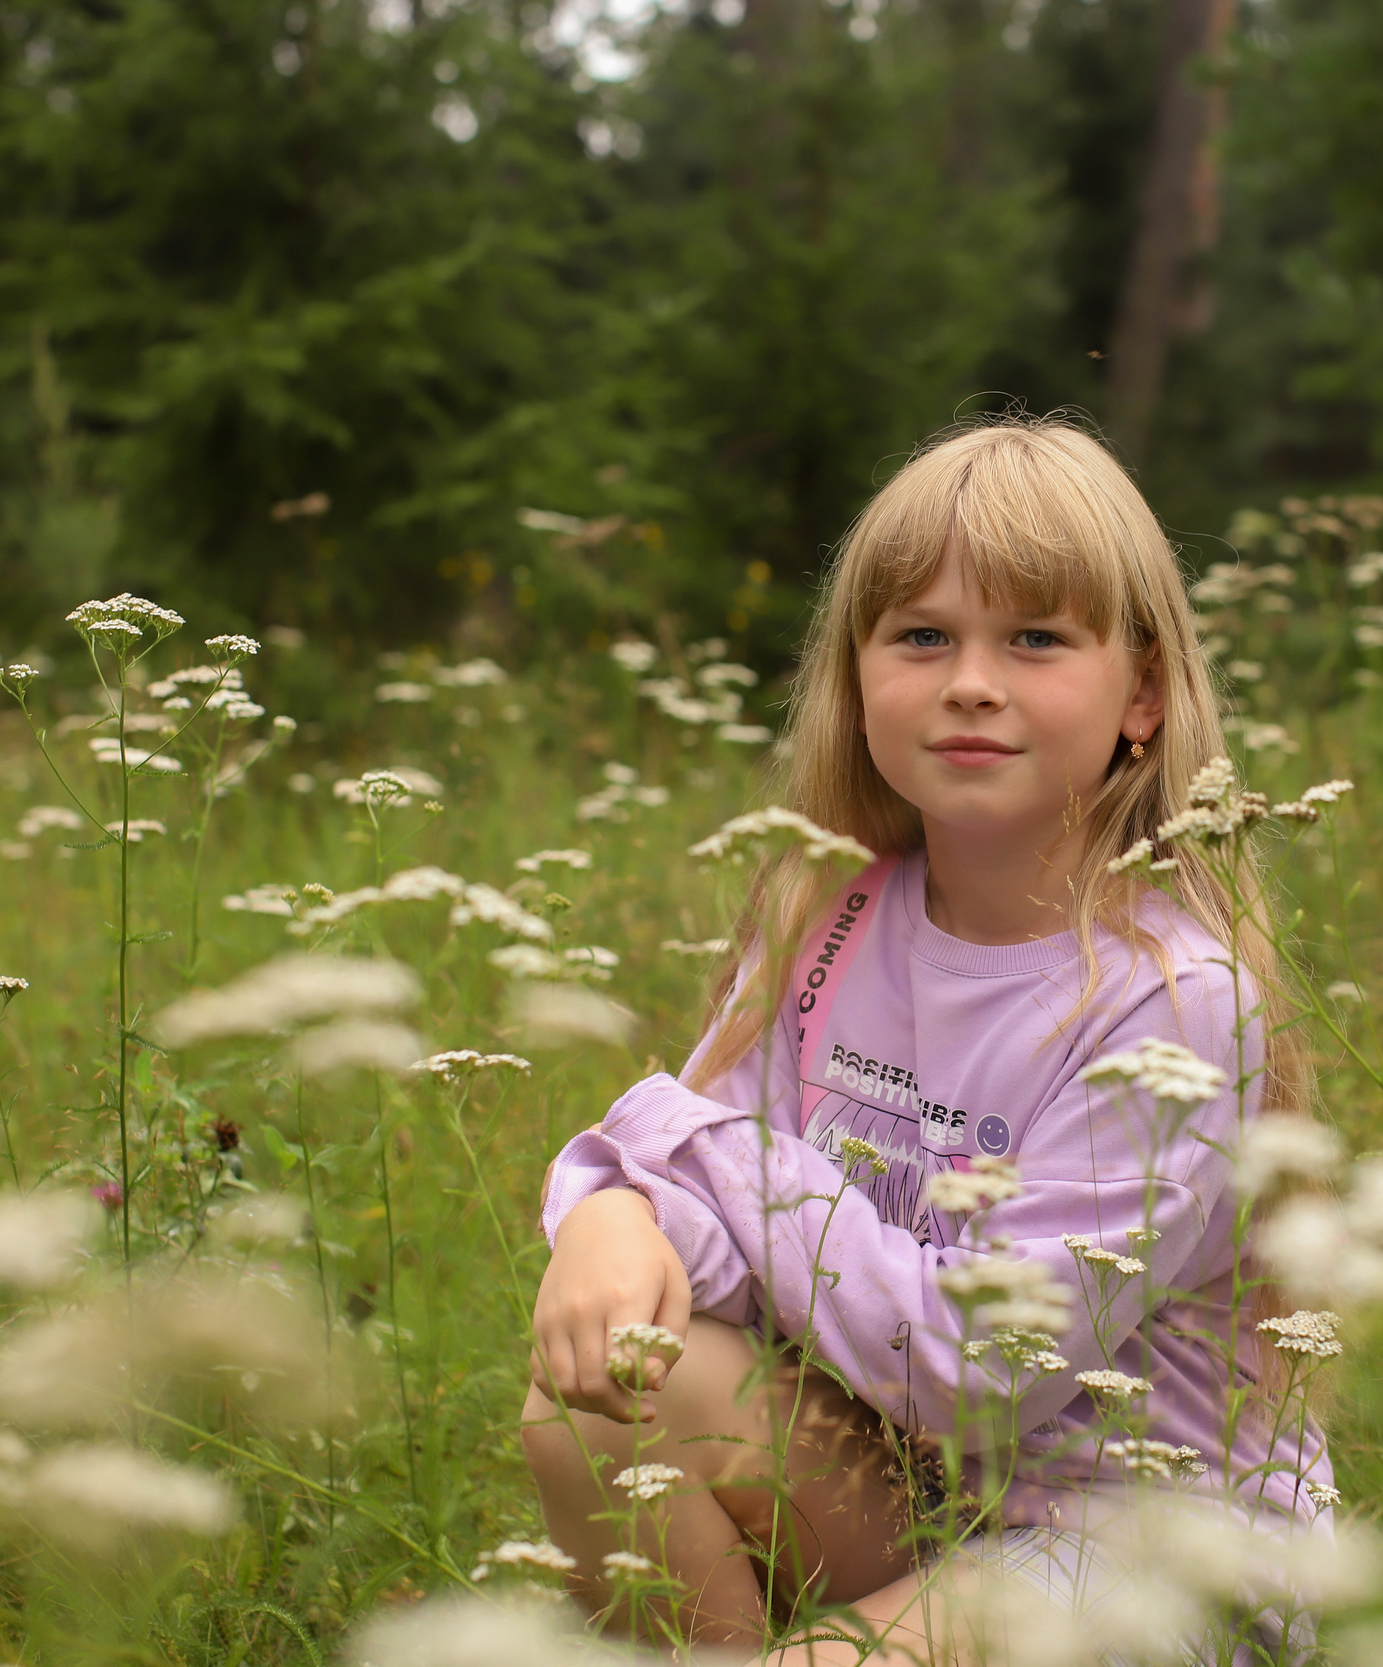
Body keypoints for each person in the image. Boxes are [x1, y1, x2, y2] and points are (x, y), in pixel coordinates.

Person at [523, 418, 1333, 1665]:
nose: (969, 679)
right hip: (923, 1487)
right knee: (607, 1395)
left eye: (1034, 639)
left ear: (1143, 694)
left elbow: (981, 1368)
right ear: (857, 678)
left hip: (1136, 1546)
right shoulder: (826, 911)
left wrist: (698, 1155)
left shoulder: (1169, 997)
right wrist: (610, 1215)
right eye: (921, 636)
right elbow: (704, 1208)